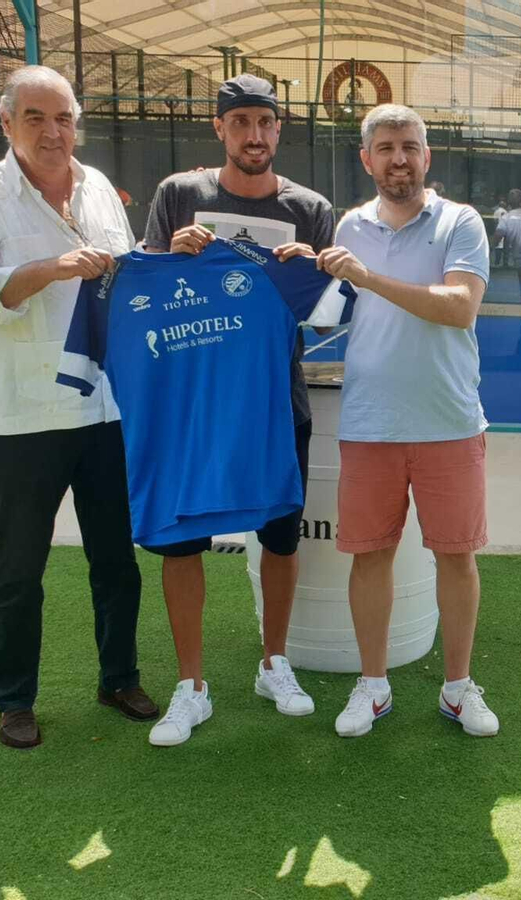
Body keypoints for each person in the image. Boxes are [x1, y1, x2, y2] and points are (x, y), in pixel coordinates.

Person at [0, 65, 157, 749]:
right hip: (21, 417)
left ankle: (118, 676)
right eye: (34, 117)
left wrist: (161, 259)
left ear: (77, 121)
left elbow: (120, 274)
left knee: (116, 561)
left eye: (62, 117)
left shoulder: (96, 188)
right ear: (6, 124)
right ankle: (14, 699)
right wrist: (52, 270)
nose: (52, 131)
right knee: (19, 568)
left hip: (102, 410)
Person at [137, 73, 336, 747]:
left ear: (280, 130)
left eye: (266, 122)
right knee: (182, 537)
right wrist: (169, 256)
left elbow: (329, 315)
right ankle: (191, 686)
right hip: (192, 399)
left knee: (280, 534)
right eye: (241, 122)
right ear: (219, 129)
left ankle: (272, 664)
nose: (255, 135)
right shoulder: (179, 195)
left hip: (276, 398)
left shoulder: (311, 208)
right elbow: (140, 288)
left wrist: (315, 268)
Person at [315, 104, 499, 739]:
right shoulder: (350, 226)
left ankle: (456, 687)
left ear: (428, 156)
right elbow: (325, 314)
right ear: (367, 160)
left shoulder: (459, 221)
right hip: (370, 423)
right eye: (386, 148)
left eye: (410, 146)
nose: (399, 158)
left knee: (457, 557)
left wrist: (368, 276)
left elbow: (459, 307)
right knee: (370, 556)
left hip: (449, 419)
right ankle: (373, 687)